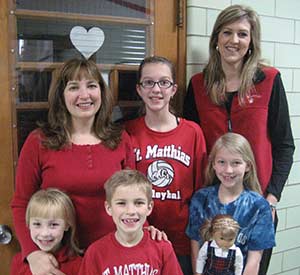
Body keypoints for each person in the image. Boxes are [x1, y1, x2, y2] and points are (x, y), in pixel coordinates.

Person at [183, 5, 295, 273]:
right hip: (213, 203)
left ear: (251, 41)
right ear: (216, 39)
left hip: (258, 203)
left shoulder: (269, 80)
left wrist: (271, 198)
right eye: (227, 32)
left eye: (242, 34)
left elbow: (285, 146)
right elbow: (191, 143)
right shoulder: (198, 85)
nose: (234, 40)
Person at [11, 58, 136, 275]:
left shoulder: (120, 140)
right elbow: (21, 203)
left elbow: (133, 199)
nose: (84, 95)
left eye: (91, 86)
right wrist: (32, 253)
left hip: (111, 257)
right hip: (57, 261)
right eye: (73, 87)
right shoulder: (39, 142)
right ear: (61, 95)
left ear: (101, 92)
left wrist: (143, 232)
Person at [125, 56, 207, 275]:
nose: (156, 89)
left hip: (183, 241)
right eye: (148, 83)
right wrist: (142, 227)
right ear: (139, 89)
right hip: (141, 237)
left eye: (164, 82)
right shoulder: (127, 133)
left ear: (174, 89)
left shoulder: (193, 132)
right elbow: (123, 191)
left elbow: (201, 191)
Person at [186, 133, 275, 275]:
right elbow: (195, 248)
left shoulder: (259, 207)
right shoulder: (201, 200)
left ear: (248, 166)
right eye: (222, 162)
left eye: (236, 163)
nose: (228, 170)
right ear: (213, 164)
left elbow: (254, 261)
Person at [78, 169, 183, 275]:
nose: (130, 211)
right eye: (121, 203)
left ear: (149, 207)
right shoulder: (95, 253)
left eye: (138, 203)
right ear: (109, 208)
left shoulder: (162, 248)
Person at [10, 188, 82, 275]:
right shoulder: (18, 262)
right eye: (37, 224)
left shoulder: (78, 264)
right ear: (28, 224)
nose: (45, 233)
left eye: (54, 225)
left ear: (67, 225)